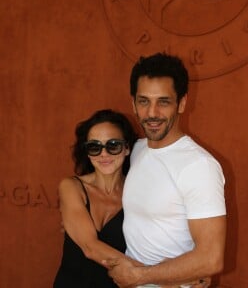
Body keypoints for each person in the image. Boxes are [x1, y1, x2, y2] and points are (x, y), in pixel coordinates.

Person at [103, 53, 227, 288]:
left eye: (163, 102)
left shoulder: (199, 166)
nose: (152, 113)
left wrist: (139, 276)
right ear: (133, 103)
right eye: (144, 101)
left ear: (181, 103)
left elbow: (211, 258)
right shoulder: (137, 150)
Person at [53, 109, 137, 287]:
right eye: (94, 147)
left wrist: (184, 271)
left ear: (127, 148)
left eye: (113, 145)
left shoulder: (138, 193)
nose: (103, 154)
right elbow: (90, 247)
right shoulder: (71, 187)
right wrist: (155, 278)